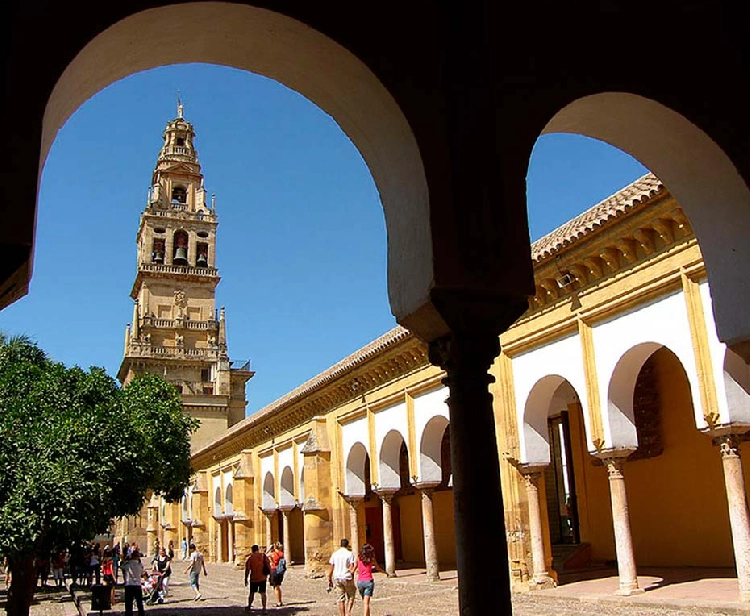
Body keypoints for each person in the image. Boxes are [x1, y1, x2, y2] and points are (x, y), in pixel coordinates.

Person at [328, 538, 356, 616]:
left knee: (340, 598)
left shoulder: (335, 554)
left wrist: (329, 579)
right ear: (347, 545)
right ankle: (348, 612)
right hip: (346, 577)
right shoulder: (349, 554)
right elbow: (351, 567)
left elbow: (331, 567)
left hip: (337, 577)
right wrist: (352, 576)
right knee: (351, 595)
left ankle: (342, 614)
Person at [355, 543, 385, 616]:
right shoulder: (371, 559)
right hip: (368, 581)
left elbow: (353, 569)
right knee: (366, 603)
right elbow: (378, 568)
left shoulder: (358, 558)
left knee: (364, 602)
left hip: (360, 582)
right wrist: (384, 572)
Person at [244, 544, 271, 614]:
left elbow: (247, 570)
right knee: (263, 593)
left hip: (254, 578)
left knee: (252, 593)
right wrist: (270, 575)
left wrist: (246, 579)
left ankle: (249, 606)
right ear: (258, 549)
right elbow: (268, 565)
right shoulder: (263, 556)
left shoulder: (251, 558)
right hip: (262, 577)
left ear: (252, 550)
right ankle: (264, 608)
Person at [121, 548, 146, 616]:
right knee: (139, 603)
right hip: (137, 585)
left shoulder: (127, 564)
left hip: (129, 585)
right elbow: (142, 573)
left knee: (128, 604)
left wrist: (126, 559)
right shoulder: (139, 565)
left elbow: (122, 566)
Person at [268, 542, 286, 607]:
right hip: (280, 571)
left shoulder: (273, 554)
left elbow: (265, 555)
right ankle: (279, 601)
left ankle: (278, 602)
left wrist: (270, 549)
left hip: (274, 571)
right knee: (278, 586)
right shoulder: (281, 554)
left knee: (276, 587)